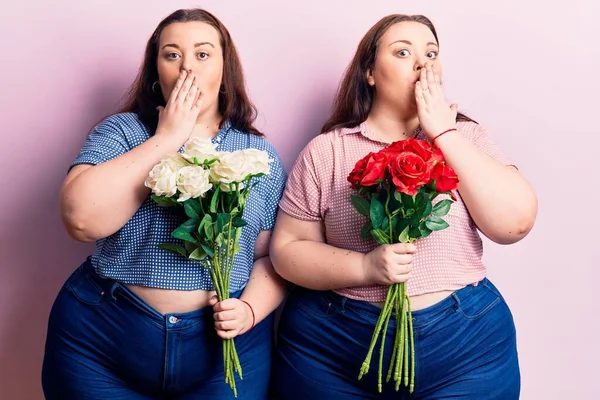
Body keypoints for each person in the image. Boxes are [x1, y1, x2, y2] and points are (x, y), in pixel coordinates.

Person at [270, 14, 537, 400]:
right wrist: (364, 267)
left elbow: (514, 224)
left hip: (463, 348)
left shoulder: (467, 137)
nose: (422, 63)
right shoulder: (328, 150)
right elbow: (287, 252)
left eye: (431, 52)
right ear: (370, 73)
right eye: (403, 51)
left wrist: (443, 132)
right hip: (333, 346)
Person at [41, 8, 287, 400]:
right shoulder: (121, 132)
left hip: (219, 351)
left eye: (203, 55)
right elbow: (80, 220)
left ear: (226, 70)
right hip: (101, 341)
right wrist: (168, 137)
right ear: (157, 70)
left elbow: (274, 255)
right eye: (172, 55)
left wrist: (251, 310)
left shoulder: (259, 154)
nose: (187, 67)